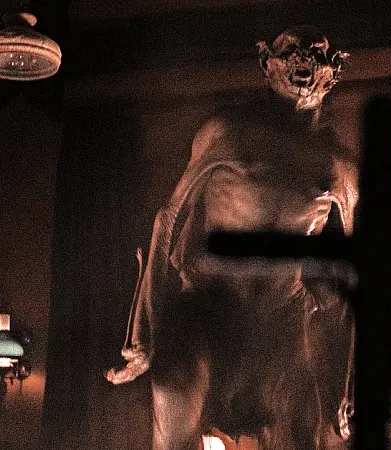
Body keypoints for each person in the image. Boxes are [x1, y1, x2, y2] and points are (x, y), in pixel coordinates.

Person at [106, 25, 357, 450]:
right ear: (267, 64)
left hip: (279, 323)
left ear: (332, 73)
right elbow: (168, 216)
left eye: (315, 57)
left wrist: (347, 382)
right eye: (292, 54)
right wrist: (144, 331)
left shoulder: (339, 166)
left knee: (301, 434)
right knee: (174, 385)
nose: (304, 66)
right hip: (210, 307)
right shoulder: (228, 132)